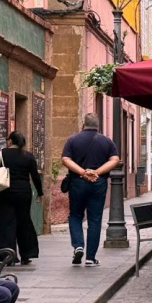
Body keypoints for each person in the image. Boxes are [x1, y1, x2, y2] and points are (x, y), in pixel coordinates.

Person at [61, 113, 120, 267]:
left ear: (83, 124)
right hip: (98, 183)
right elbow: (115, 159)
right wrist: (97, 172)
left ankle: (78, 245)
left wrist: (82, 172)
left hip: (77, 183)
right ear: (98, 125)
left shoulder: (73, 140)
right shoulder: (107, 141)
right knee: (94, 219)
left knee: (75, 215)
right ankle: (90, 257)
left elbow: (65, 159)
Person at [0, 131, 43, 265]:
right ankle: (27, 254)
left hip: (5, 192)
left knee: (5, 223)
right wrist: (40, 193)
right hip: (24, 193)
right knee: (24, 221)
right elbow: (35, 176)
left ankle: (6, 256)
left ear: (10, 141)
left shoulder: (0, 154)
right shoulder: (28, 156)